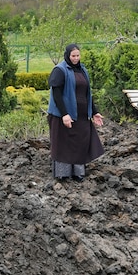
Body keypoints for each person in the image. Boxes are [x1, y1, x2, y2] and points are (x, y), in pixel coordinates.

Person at [46, 44, 105, 182]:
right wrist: (64, 114)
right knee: (63, 143)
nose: (76, 58)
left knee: (80, 142)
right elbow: (56, 93)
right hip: (62, 114)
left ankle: (78, 173)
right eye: (73, 56)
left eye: (78, 56)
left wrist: (94, 112)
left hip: (82, 115)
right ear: (67, 55)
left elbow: (86, 94)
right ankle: (63, 173)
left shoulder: (83, 70)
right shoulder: (60, 70)